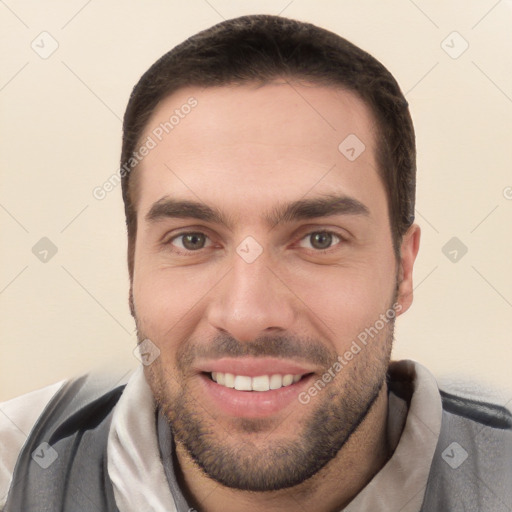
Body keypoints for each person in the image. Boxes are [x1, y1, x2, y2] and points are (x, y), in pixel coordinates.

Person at [1, 14, 511, 512]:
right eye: (193, 239)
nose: (246, 315)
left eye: (319, 239)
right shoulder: (14, 468)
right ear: (133, 266)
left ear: (402, 269)